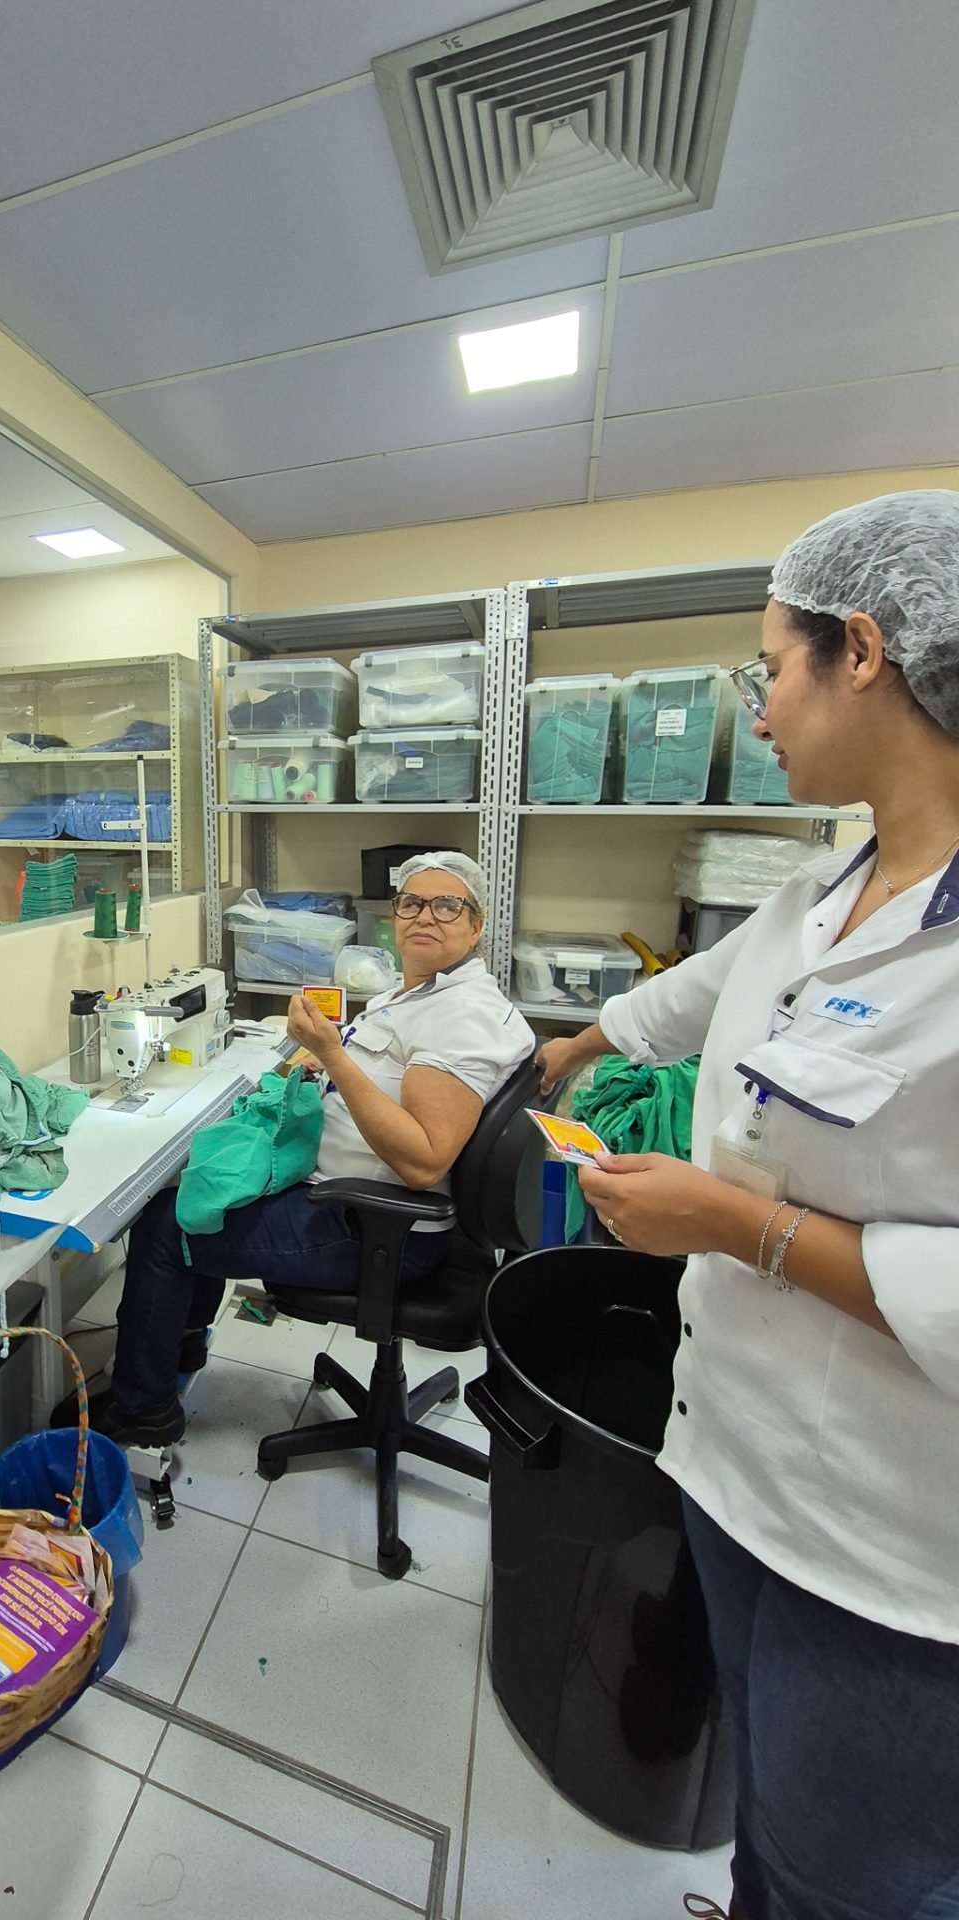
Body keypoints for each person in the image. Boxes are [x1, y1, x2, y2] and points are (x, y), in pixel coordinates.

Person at [536, 490, 959, 1920]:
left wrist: (736, 1224)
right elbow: (702, 995)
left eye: (768, 670)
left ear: (864, 652)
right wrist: (577, 1045)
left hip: (895, 1556)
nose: (756, 710)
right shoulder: (828, 886)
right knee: (767, 1824)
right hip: (734, 1467)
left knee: (858, 1877)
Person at [83, 851, 535, 1445]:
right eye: (412, 903)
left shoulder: (462, 1017)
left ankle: (142, 1409)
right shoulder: (421, 994)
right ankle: (177, 1352)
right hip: (359, 1204)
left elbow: (424, 1161)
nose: (425, 916)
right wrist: (320, 1066)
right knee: (204, 1189)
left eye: (448, 906)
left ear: (476, 927)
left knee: (167, 1226)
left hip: (373, 1228)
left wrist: (332, 1055)